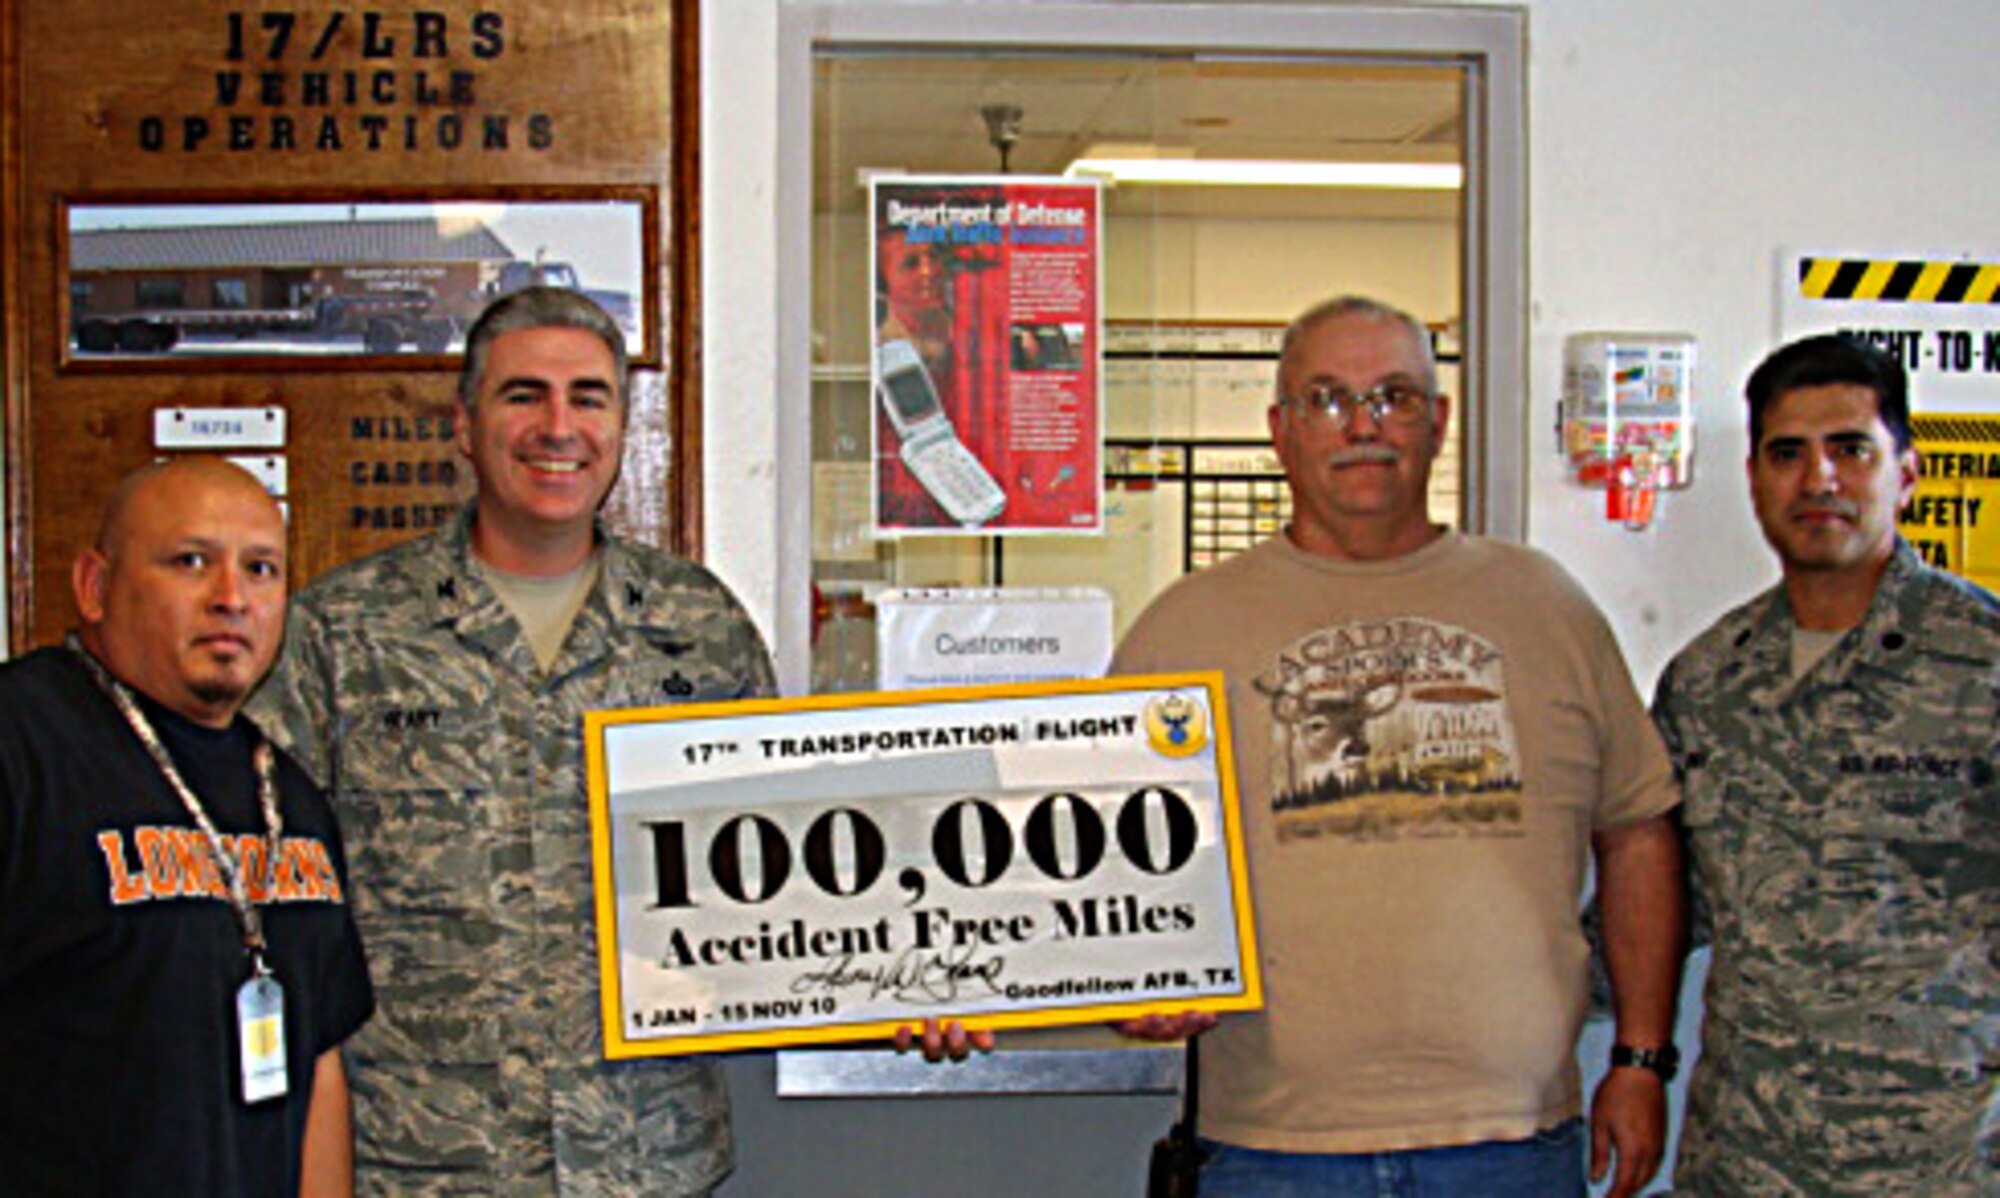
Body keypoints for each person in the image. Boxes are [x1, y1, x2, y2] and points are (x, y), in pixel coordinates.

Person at [1113, 296, 1684, 1197]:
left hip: (1514, 1140)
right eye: (1328, 398)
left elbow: (1637, 829)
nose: (1365, 425)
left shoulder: (1548, 607)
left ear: (1439, 420)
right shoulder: (1182, 631)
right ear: (1279, 429)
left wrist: (1643, 1057)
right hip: (1274, 1146)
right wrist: (1133, 985)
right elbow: (1109, 860)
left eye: (1396, 396)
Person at [252, 287, 778, 1195]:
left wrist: (906, 984)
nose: (557, 426)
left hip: (645, 1157)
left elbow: (786, 874)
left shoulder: (703, 627)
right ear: (464, 424)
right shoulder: (341, 632)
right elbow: (265, 893)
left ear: (621, 424)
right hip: (420, 1162)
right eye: (523, 394)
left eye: (589, 397)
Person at [1651, 334, 1998, 1194]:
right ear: (1756, 479)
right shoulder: (1707, 681)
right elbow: (1654, 903)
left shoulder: (1985, 665)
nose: (1819, 481)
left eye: (1850, 449)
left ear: (1907, 474)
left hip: (1947, 1161)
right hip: (1750, 1157)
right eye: (1787, 454)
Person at [0, 457, 373, 1196]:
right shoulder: (22, 742)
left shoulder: (290, 798)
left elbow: (319, 1058)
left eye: (261, 570)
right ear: (95, 587)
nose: (231, 598)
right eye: (191, 561)